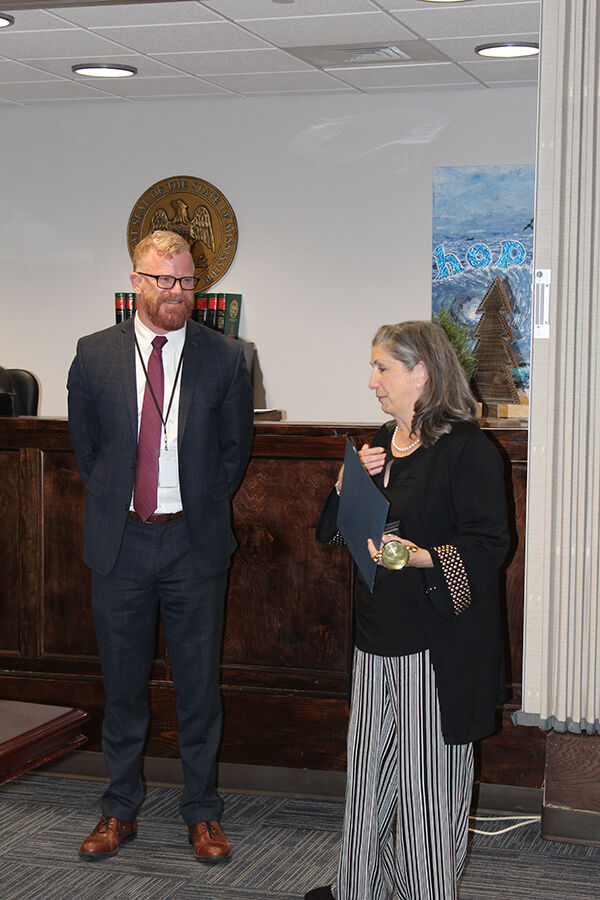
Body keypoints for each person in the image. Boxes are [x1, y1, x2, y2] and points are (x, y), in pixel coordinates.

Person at [305, 321, 510, 900]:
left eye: (381, 369)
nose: (370, 381)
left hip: (435, 648)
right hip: (374, 637)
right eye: (372, 368)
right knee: (368, 784)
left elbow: (491, 545)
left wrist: (419, 557)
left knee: (430, 792)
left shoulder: (468, 450)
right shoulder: (377, 441)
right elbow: (332, 532)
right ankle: (361, 890)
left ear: (421, 374)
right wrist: (345, 484)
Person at [67, 229, 254, 863]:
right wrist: (121, 498)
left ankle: (202, 814)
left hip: (193, 546)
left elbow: (235, 453)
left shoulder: (228, 357)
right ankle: (119, 810)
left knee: (199, 688)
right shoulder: (93, 355)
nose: (177, 293)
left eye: (187, 281)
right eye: (165, 280)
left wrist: (192, 503)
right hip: (119, 544)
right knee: (122, 688)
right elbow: (86, 449)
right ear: (137, 282)